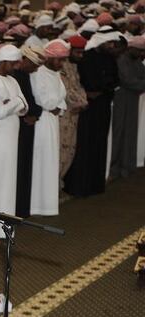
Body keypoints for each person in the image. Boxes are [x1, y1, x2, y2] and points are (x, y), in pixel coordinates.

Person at [64, 27, 121, 196]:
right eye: (109, 43)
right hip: (88, 108)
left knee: (99, 144)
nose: (111, 46)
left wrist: (104, 87)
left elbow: (115, 80)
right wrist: (96, 89)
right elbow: (86, 82)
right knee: (85, 146)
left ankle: (96, 185)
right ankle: (80, 187)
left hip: (103, 106)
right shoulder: (86, 57)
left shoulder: (109, 58)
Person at [0, 45, 27, 239]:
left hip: (10, 138)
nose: (16, 67)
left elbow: (25, 107)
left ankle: (5, 226)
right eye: (13, 63)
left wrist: (13, 102)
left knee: (8, 181)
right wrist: (16, 101)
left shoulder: (12, 80)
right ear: (4, 62)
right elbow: (0, 112)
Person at [30, 41, 68, 217]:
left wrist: (56, 102)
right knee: (41, 161)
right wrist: (55, 102)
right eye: (59, 60)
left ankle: (48, 204)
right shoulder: (38, 74)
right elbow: (45, 101)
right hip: (42, 124)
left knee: (51, 160)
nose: (61, 64)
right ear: (50, 58)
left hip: (52, 121)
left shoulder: (56, 73)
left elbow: (60, 99)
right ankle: (37, 205)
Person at [14, 47, 44, 218]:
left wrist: (35, 113)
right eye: (34, 64)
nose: (36, 69)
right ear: (24, 61)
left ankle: (22, 208)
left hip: (26, 126)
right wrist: (33, 112)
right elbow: (21, 104)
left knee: (25, 167)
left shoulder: (24, 76)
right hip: (19, 127)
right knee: (18, 169)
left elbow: (30, 103)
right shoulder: (15, 77)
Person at [110, 36, 145, 180]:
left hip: (132, 99)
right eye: (139, 51)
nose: (141, 54)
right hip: (121, 100)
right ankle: (114, 168)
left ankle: (127, 166)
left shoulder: (136, 60)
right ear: (131, 48)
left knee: (130, 132)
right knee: (118, 132)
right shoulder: (121, 60)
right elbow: (128, 80)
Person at [60, 35, 88, 179]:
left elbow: (78, 87)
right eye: (78, 52)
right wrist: (81, 103)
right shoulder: (61, 66)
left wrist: (83, 102)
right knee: (61, 151)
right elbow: (66, 90)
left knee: (70, 149)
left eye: (82, 52)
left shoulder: (73, 66)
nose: (80, 56)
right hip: (64, 115)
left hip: (74, 115)